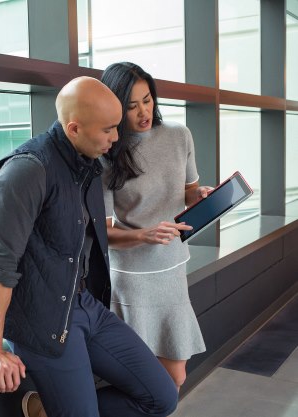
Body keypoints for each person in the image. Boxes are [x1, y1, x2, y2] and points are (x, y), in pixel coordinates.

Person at [0, 76, 178, 417]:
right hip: (41, 319)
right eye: (109, 130)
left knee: (162, 398)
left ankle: (50, 411)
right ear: (74, 128)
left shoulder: (88, 165)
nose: (115, 139)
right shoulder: (25, 172)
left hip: (84, 304)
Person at [100, 62, 209, 391]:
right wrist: (143, 235)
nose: (143, 112)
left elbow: (187, 190)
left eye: (147, 100)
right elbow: (103, 232)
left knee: (175, 377)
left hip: (172, 269)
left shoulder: (179, 135)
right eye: (131, 106)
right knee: (147, 382)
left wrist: (199, 195)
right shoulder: (106, 153)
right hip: (132, 278)